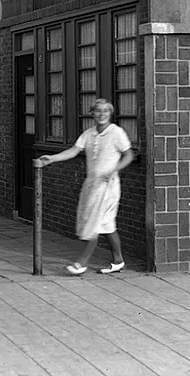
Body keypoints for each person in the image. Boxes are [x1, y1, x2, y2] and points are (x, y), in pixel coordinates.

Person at [38, 98, 134, 275]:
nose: (102, 114)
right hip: (92, 184)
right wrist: (52, 159)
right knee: (106, 224)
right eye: (98, 111)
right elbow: (74, 151)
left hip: (108, 186)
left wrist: (114, 170)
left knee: (95, 222)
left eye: (105, 111)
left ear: (110, 113)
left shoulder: (116, 132)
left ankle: (81, 263)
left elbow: (129, 155)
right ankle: (118, 260)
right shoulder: (89, 134)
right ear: (92, 113)